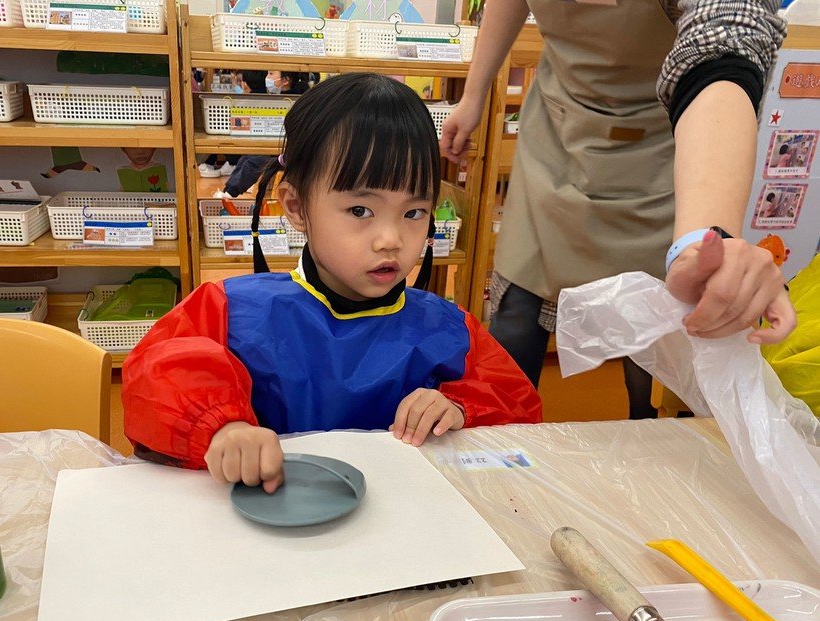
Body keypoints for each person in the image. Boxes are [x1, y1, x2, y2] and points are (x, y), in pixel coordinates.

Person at [123, 73, 542, 492]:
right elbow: (155, 380)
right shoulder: (227, 312)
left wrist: (459, 408)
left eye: (414, 213)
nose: (391, 240)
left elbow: (519, 409)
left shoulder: (451, 330)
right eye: (360, 211)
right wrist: (222, 429)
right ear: (296, 206)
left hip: (405, 519)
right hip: (268, 516)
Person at [440, 0, 796, 420]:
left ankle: (643, 420)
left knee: (652, 316)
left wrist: (707, 238)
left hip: (660, 145)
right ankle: (497, 428)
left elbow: (726, 38)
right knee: (519, 304)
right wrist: (473, 94)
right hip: (558, 132)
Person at [214, 71, 315, 200]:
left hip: (292, 154)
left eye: (271, 74)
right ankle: (228, 191)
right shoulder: (280, 98)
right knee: (246, 158)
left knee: (253, 163)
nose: (267, 78)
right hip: (280, 148)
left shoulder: (295, 102)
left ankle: (229, 195)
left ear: (285, 80)